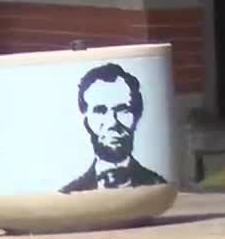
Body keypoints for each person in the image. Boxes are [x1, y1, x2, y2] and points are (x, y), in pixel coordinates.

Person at [60, 62, 167, 193]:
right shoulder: (70, 193)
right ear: (86, 121)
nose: (112, 123)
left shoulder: (159, 186)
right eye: (100, 111)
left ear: (137, 115)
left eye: (123, 110)